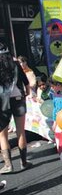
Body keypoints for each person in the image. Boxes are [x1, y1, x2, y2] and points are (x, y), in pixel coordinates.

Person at [0, 43, 33, 173]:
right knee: (21, 131)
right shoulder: (15, 63)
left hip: (2, 101)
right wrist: (27, 94)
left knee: (2, 135)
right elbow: (26, 83)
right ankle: (24, 162)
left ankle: (8, 165)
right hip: (18, 98)